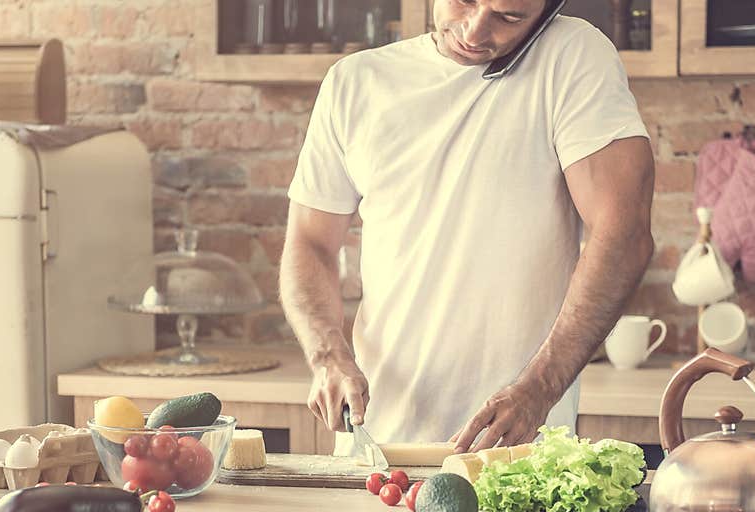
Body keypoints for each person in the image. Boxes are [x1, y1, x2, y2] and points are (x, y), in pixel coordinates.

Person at [280, 0, 655, 457]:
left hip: (516, 448)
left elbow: (623, 236)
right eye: (465, 1)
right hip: (377, 443)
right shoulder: (353, 83)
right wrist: (327, 355)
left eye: (509, 17)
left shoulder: (572, 57)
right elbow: (310, 243)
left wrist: (540, 390)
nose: (476, 32)